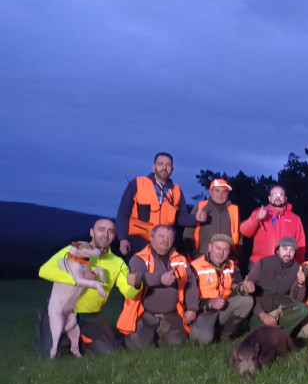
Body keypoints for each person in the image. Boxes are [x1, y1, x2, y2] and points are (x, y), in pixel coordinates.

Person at [37, 218, 141, 355]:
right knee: (51, 353)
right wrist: (77, 279)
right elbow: (44, 271)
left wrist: (137, 284)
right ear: (92, 232)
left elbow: (128, 293)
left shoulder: (118, 262)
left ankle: (81, 339)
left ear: (115, 236)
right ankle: (46, 319)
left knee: (108, 352)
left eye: (110, 231)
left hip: (90, 315)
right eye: (101, 230)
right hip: (62, 310)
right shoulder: (75, 249)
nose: (105, 234)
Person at [116, 225, 199, 349]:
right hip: (145, 313)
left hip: (172, 313)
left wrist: (192, 308)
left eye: (169, 237)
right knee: (139, 347)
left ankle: (160, 334)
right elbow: (141, 276)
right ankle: (147, 334)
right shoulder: (139, 258)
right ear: (151, 238)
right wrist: (160, 278)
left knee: (177, 343)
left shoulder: (181, 259)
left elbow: (191, 283)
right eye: (161, 236)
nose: (165, 240)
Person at [116, 152, 206, 256]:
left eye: (168, 165)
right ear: (154, 167)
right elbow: (123, 214)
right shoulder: (137, 184)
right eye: (160, 164)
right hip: (138, 242)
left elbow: (181, 217)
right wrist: (123, 239)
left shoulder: (176, 190)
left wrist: (196, 219)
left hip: (165, 244)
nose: (164, 167)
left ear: (172, 169)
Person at [189, 234, 253, 345]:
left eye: (225, 249)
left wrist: (246, 288)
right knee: (204, 340)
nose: (221, 253)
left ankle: (225, 334)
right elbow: (189, 299)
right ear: (210, 247)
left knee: (247, 301)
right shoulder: (194, 267)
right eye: (218, 248)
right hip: (204, 311)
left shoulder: (232, 266)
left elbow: (238, 287)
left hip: (223, 307)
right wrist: (210, 304)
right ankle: (202, 330)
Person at [243, 237, 308, 336]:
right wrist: (262, 314)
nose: (288, 253)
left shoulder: (298, 269)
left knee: (304, 309)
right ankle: (279, 333)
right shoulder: (263, 263)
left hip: (281, 311)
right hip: (260, 311)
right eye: (284, 248)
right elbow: (248, 292)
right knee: (263, 334)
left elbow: (296, 300)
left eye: (292, 250)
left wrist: (301, 284)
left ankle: (280, 332)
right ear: (278, 250)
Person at [240, 185, 306, 265]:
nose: (277, 198)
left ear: (285, 198)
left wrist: (298, 264)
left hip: (285, 265)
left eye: (281, 195)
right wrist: (256, 219)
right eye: (274, 195)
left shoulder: (295, 219)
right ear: (269, 198)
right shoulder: (259, 212)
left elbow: (300, 244)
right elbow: (245, 231)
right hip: (260, 263)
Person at [185, 178, 242, 259]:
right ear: (210, 192)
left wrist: (236, 256)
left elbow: (240, 237)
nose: (220, 194)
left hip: (226, 260)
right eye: (217, 191)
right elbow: (187, 234)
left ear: (227, 193)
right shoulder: (199, 208)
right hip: (202, 259)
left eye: (224, 191)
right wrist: (194, 255)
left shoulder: (234, 210)